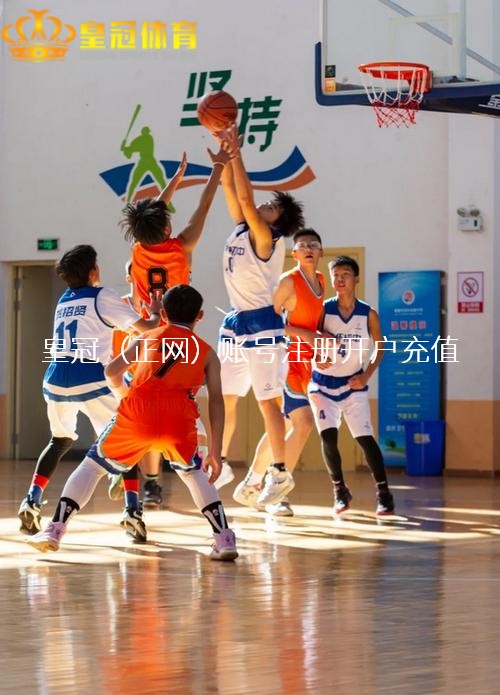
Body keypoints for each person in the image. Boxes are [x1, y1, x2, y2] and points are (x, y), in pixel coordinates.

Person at [27, 284, 238, 561]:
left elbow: (111, 371)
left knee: (92, 466)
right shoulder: (208, 353)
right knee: (193, 473)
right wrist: (216, 451)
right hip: (178, 419)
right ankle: (224, 538)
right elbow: (217, 402)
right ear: (199, 316)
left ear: (164, 313)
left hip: (137, 413)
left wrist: (124, 396)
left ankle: (55, 530)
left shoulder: (147, 337)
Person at [18, 245, 163, 535]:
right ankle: (132, 511)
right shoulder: (102, 295)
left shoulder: (63, 300)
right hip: (90, 377)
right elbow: (148, 328)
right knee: (127, 438)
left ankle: (31, 500)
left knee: (59, 441)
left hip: (56, 377)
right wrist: (156, 311)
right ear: (93, 271)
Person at [121, 144, 235, 490]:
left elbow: (151, 216)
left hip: (147, 339)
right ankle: (200, 467)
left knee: (145, 405)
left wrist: (174, 181)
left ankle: (143, 477)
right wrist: (218, 168)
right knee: (183, 407)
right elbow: (204, 206)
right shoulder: (180, 247)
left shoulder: (137, 251)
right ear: (166, 227)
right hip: (177, 339)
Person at [218, 124, 305, 506]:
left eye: (273, 207)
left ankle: (280, 472)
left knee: (267, 403)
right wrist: (224, 155)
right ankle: (220, 461)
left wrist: (237, 152)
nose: (265, 206)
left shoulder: (268, 238)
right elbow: (231, 189)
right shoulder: (242, 228)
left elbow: (246, 196)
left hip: (262, 325)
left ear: (277, 221)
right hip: (236, 321)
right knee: (225, 397)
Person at [233, 228, 325, 516]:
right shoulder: (288, 282)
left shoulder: (320, 282)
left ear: (321, 252)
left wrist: (320, 345)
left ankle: (251, 484)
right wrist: (304, 335)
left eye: (313, 244)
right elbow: (267, 321)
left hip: (305, 363)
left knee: (282, 427)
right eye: (302, 245)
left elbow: (312, 324)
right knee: (303, 422)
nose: (308, 248)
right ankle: (277, 490)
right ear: (294, 253)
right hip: (283, 361)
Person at [308, 256, 395, 516]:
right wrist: (316, 356)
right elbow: (307, 339)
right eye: (335, 275)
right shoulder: (323, 309)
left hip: (353, 383)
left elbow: (380, 348)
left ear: (356, 278)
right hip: (322, 385)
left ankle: (383, 492)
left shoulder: (368, 314)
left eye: (345, 274)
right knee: (328, 438)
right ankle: (339, 489)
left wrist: (366, 375)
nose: (339, 279)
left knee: (365, 440)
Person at [109, 261, 166, 512]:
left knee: (150, 432)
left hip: (150, 378)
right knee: (118, 428)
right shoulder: (117, 306)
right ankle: (117, 469)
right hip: (120, 376)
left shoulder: (160, 308)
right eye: (137, 273)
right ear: (129, 278)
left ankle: (151, 484)